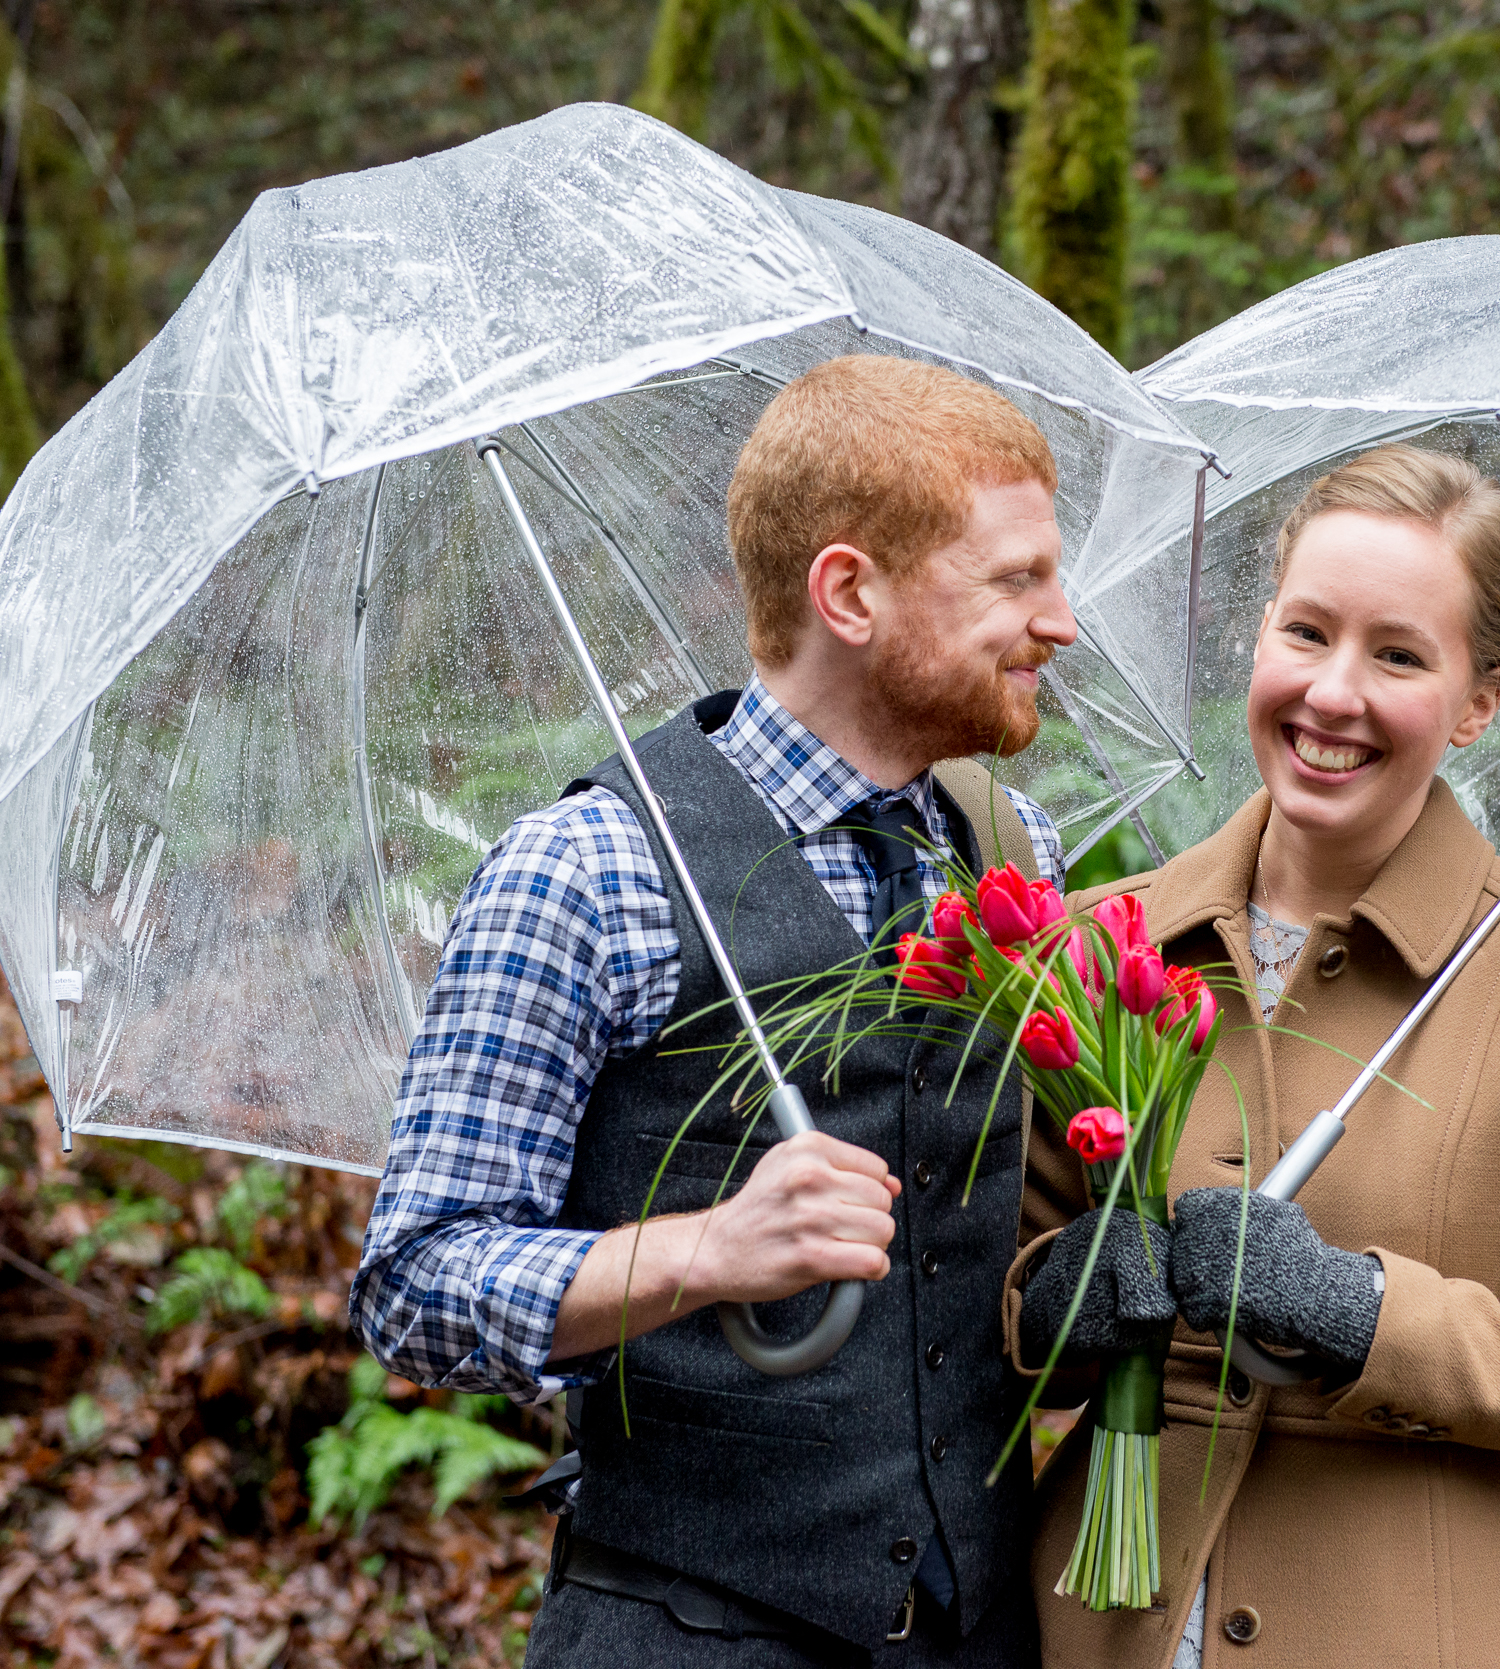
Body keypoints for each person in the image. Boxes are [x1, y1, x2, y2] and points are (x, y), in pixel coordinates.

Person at [352, 355, 1078, 1667]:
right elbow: (417, 1282)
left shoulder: (1017, 851)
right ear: (848, 591)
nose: (1061, 619)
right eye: (1014, 579)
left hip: (984, 1634)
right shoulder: (585, 871)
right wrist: (704, 1252)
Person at [1006, 445, 1500, 1669]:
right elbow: (985, 1302)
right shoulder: (1098, 941)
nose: (1333, 694)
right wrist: (1055, 1296)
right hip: (1097, 1624)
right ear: (1257, 638)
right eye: (1307, 632)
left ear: (1478, 698)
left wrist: (1360, 1308)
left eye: (1397, 654)